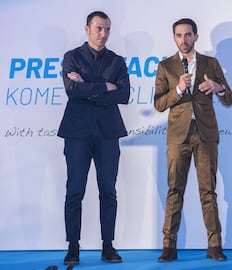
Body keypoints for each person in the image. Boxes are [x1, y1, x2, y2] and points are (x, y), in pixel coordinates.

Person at [154, 18, 232, 262]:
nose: (184, 40)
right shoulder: (166, 66)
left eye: (188, 35)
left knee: (208, 191)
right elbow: (158, 103)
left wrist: (217, 87)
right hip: (178, 136)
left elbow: (229, 98)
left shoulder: (211, 63)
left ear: (196, 37)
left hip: (205, 134)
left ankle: (215, 245)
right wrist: (178, 90)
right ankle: (169, 246)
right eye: (179, 35)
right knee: (174, 190)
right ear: (174, 38)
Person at [57, 11, 130, 265]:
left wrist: (88, 84)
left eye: (107, 29)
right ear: (87, 29)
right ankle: (73, 246)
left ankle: (108, 246)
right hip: (77, 133)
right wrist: (105, 86)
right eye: (99, 28)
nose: (103, 34)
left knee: (108, 191)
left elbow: (124, 94)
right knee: (74, 191)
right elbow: (72, 90)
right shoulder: (72, 57)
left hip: (108, 133)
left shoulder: (117, 60)